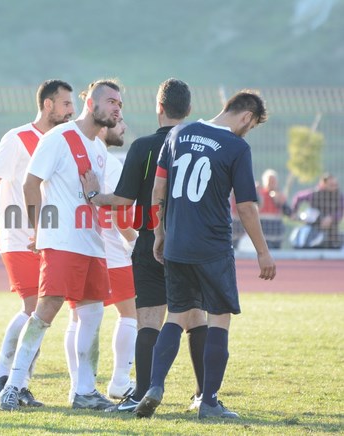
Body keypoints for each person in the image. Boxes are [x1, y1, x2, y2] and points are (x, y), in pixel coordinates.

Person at [134, 90, 276, 420]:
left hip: (176, 244)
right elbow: (246, 207)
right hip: (213, 246)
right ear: (247, 117)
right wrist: (263, 252)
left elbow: (158, 189)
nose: (248, 131)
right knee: (219, 317)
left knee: (176, 315)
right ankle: (209, 400)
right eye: (251, 126)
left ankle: (155, 386)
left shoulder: (178, 133)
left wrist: (159, 233)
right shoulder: (236, 147)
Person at [81, 78, 207, 413]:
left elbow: (122, 200)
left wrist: (94, 195)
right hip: (192, 244)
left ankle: (141, 392)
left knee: (148, 318)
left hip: (151, 240)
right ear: (189, 110)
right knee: (196, 317)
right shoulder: (203, 147)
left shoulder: (144, 147)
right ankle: (203, 396)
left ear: (159, 108)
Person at [0, 79, 123, 411]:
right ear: (91, 104)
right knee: (46, 309)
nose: (116, 108)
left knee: (93, 313)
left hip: (92, 243)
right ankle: (12, 385)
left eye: (120, 104)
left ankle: (84, 391)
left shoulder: (99, 148)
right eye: (111, 102)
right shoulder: (59, 137)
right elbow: (31, 183)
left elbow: (94, 198)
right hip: (63, 242)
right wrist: (41, 229)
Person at [0, 79, 75, 407]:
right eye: (65, 104)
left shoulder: (60, 141)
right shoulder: (17, 138)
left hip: (48, 240)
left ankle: (11, 380)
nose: (71, 111)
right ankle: (4, 377)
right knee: (34, 310)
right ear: (48, 105)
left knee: (40, 313)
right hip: (19, 239)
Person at [64, 114, 138, 405]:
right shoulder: (111, 163)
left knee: (77, 318)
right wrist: (133, 240)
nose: (124, 126)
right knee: (129, 314)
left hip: (83, 247)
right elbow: (119, 211)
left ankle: (78, 386)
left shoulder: (80, 158)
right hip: (113, 251)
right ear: (104, 127)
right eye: (118, 121)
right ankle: (120, 382)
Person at [291, 172, 343, 249]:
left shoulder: (339, 197)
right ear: (323, 184)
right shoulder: (314, 194)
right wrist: (294, 211)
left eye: (335, 185)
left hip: (331, 232)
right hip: (313, 230)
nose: (334, 187)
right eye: (331, 185)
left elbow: (340, 212)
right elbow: (298, 197)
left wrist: (331, 218)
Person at [257, 169, 291, 249]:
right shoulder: (260, 194)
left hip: (277, 235)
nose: (272, 183)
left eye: (274, 181)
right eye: (270, 181)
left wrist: (280, 201)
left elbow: (288, 212)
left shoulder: (279, 195)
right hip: (264, 235)